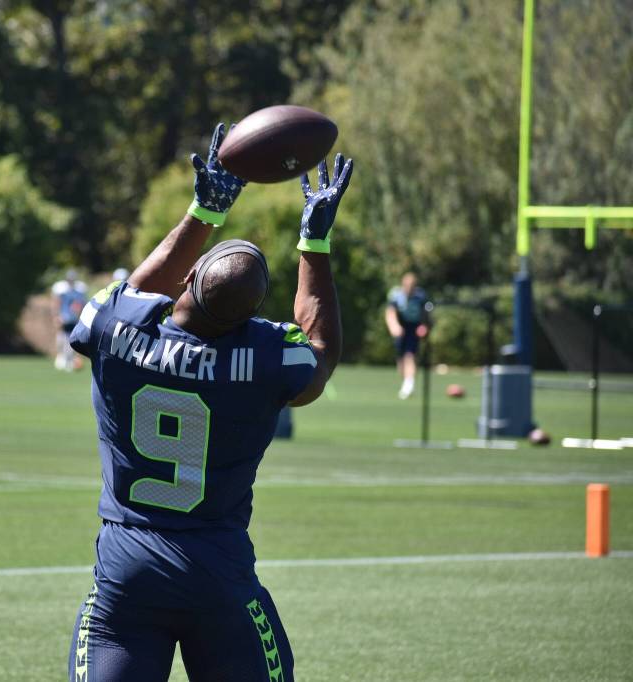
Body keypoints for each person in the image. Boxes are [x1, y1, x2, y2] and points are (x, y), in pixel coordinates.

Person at [66, 122, 353, 681]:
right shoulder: (266, 358)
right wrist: (314, 246)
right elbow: (319, 354)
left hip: (129, 569)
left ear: (191, 277)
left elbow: (136, 293)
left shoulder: (117, 329)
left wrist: (204, 213)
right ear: (249, 318)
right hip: (217, 572)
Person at [384, 272, 430, 399]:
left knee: (410, 355)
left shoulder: (421, 296)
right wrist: (394, 326)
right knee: (400, 359)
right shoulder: (396, 295)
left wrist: (424, 326)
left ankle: (409, 384)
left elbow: (427, 313)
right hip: (401, 327)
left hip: (413, 329)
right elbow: (390, 312)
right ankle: (406, 381)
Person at [52, 269, 88, 371]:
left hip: (74, 318)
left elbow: (83, 303)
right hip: (64, 317)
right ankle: (61, 356)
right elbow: (57, 303)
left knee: (70, 339)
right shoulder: (62, 290)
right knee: (61, 338)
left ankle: (68, 360)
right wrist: (56, 316)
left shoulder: (79, 290)